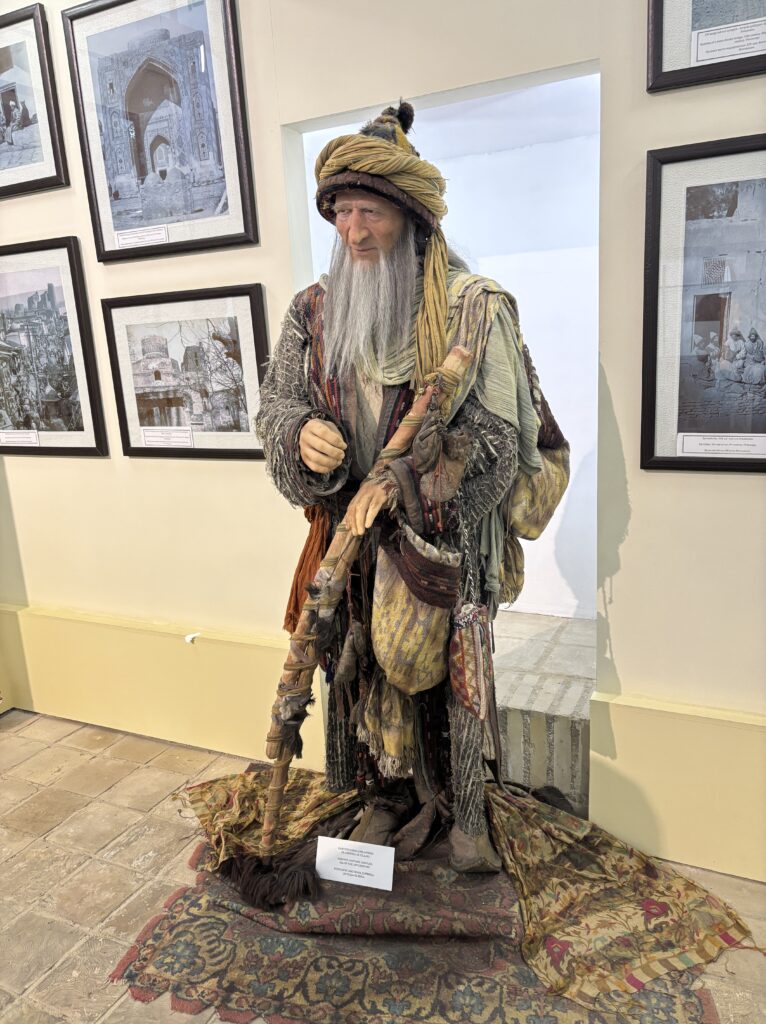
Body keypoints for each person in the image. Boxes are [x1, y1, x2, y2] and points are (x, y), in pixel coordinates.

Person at [256, 102, 550, 873]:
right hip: (348, 538)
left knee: (447, 676)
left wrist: (409, 487)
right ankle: (381, 797)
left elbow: (497, 441)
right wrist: (299, 436)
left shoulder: (470, 310)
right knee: (359, 671)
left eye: (371, 213)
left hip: (439, 542)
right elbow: (276, 406)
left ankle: (464, 811)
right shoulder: (312, 313)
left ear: (412, 219)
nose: (353, 232)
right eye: (341, 212)